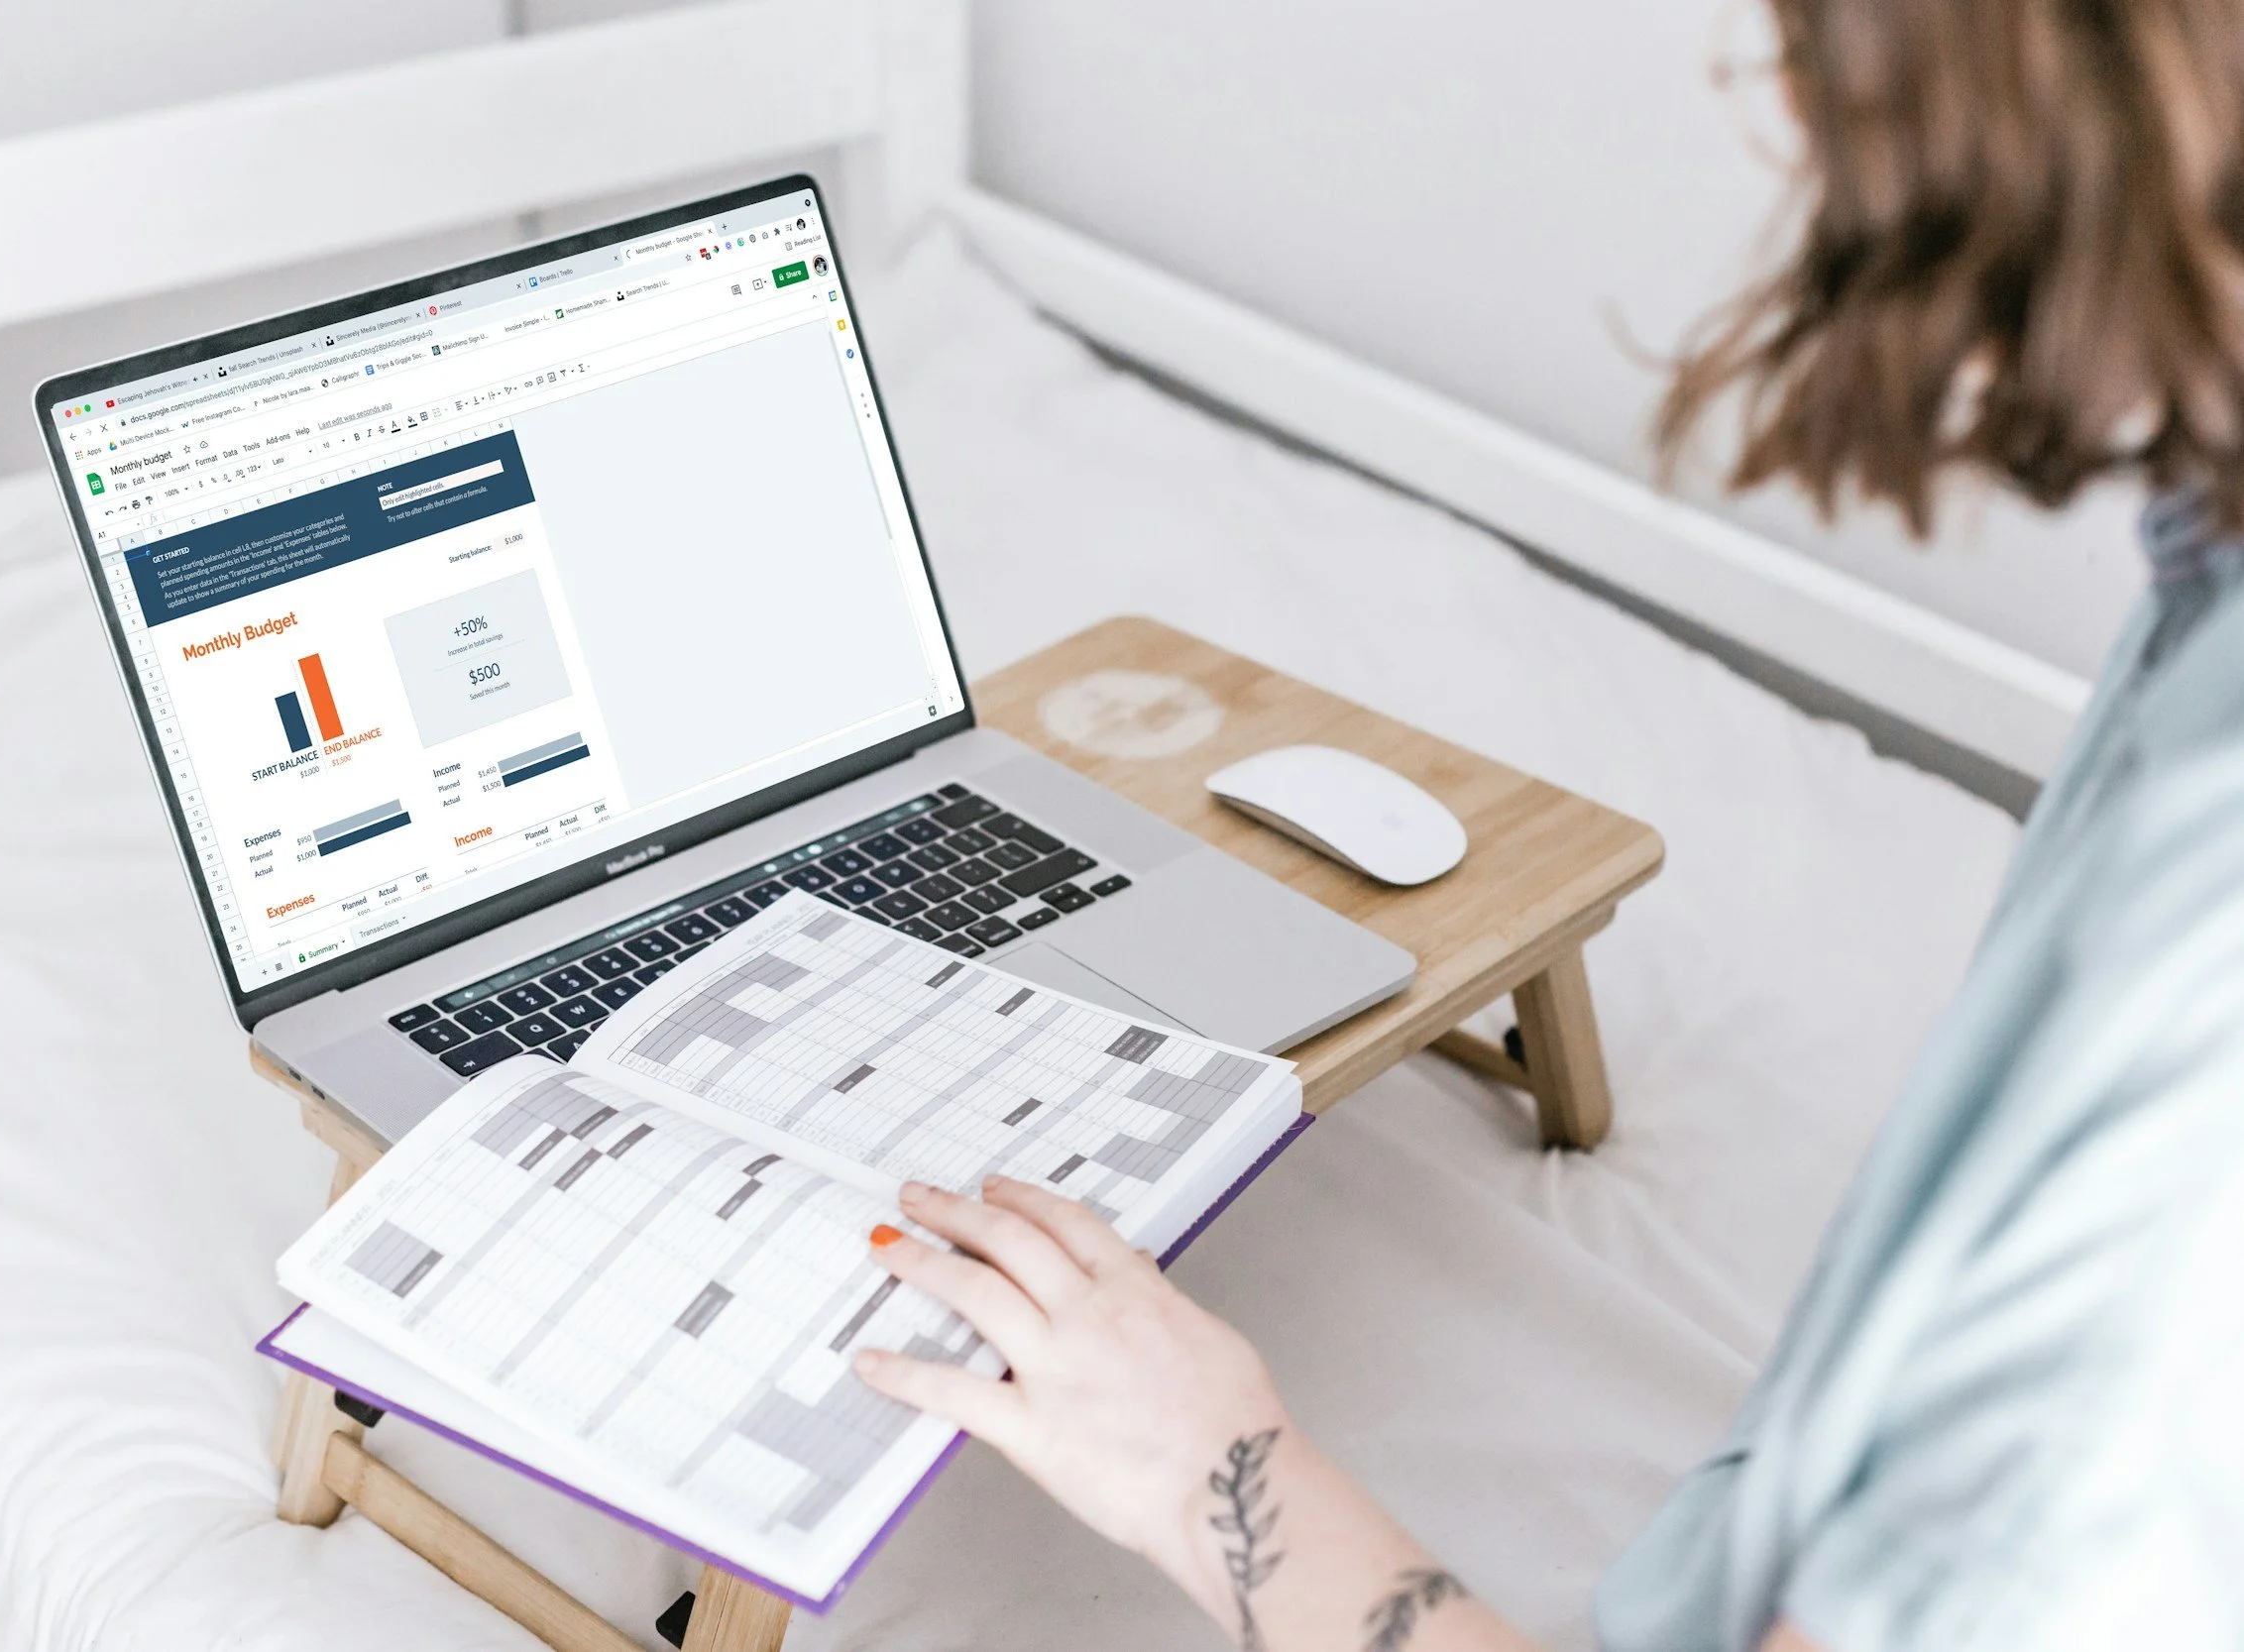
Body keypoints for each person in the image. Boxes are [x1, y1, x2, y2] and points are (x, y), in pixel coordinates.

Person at [852, 1, 2244, 1647]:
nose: (1788, 112)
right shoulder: (2201, 586)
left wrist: (1202, 1459)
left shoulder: (2183, 1087)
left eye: (1826, 57)